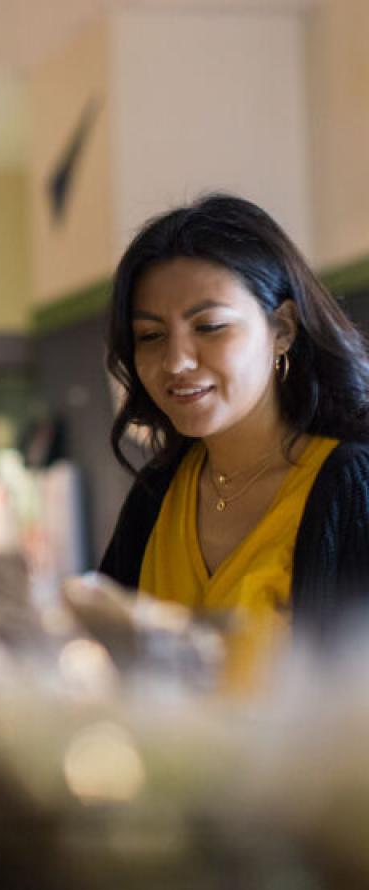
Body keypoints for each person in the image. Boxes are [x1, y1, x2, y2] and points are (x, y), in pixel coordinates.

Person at [99, 193, 369, 686]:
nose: (176, 361)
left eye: (210, 327)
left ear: (282, 329)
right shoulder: (156, 493)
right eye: (151, 336)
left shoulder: (348, 485)